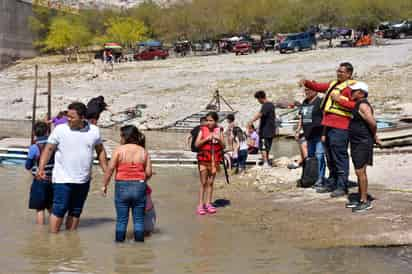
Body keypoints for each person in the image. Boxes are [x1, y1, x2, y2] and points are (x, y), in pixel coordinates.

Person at [37, 102, 108, 233]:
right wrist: (41, 168)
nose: (68, 119)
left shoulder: (94, 131)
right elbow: (48, 149)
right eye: (67, 116)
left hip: (83, 179)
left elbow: (100, 151)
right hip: (62, 179)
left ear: (82, 117)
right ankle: (53, 240)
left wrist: (106, 171)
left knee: (76, 211)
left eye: (72, 117)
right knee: (59, 209)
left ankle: (71, 238)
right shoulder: (60, 130)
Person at [300, 62, 357, 197]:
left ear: (349, 74)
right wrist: (306, 82)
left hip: (341, 126)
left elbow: (356, 105)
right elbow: (318, 87)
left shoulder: (352, 87)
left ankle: (342, 186)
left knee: (339, 156)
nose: (338, 73)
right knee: (330, 157)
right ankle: (332, 182)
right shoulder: (333, 84)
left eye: (341, 72)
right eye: (338, 71)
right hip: (328, 126)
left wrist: (340, 100)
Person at [102, 125, 152, 242]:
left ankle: (119, 246)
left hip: (122, 186)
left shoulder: (119, 150)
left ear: (125, 136)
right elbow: (148, 173)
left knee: (121, 219)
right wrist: (140, 180)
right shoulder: (143, 151)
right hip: (139, 186)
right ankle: (139, 247)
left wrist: (104, 185)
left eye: (121, 136)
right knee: (139, 219)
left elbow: (110, 169)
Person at [341, 82, 380, 212]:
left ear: (362, 93)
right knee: (359, 171)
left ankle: (364, 201)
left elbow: (373, 123)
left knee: (360, 171)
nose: (351, 93)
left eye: (354, 91)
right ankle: (360, 198)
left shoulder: (363, 105)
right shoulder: (357, 104)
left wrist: (374, 137)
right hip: (357, 142)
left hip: (363, 142)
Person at [294, 87, 325, 187]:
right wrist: (298, 130)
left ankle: (321, 179)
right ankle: (312, 178)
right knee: (311, 158)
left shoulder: (320, 102)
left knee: (319, 156)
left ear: (316, 91)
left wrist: (324, 133)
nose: (307, 92)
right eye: (306, 90)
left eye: (309, 90)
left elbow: (325, 117)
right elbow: (301, 117)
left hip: (319, 134)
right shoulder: (305, 102)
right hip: (308, 135)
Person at [195, 111, 225, 215]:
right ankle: (200, 204)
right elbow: (196, 144)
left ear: (216, 121)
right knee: (203, 182)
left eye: (211, 120)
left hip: (214, 160)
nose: (208, 122)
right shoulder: (202, 130)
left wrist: (218, 139)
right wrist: (206, 139)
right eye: (207, 120)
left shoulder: (219, 130)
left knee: (211, 183)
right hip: (203, 159)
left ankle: (208, 203)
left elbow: (223, 145)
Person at [25, 121, 54, 225]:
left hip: (39, 180)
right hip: (53, 180)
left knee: (40, 208)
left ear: (34, 133)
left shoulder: (34, 147)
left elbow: (27, 166)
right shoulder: (54, 146)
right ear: (47, 132)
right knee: (51, 208)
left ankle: (40, 233)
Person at [248, 90, 276, 168]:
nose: (258, 101)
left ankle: (265, 162)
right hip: (271, 129)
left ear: (260, 98)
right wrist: (259, 127)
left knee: (263, 146)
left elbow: (260, 114)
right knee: (267, 146)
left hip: (266, 130)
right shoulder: (271, 105)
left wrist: (251, 121)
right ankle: (266, 161)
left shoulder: (265, 105)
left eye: (258, 99)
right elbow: (265, 118)